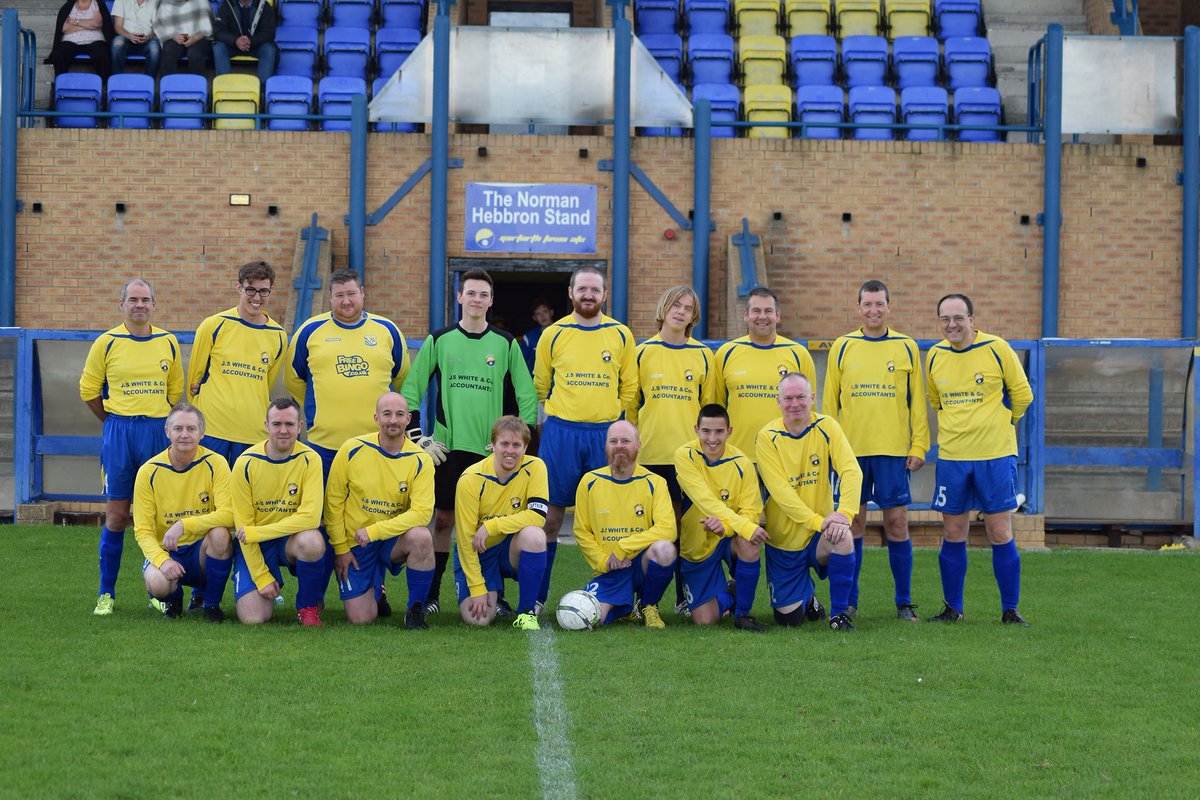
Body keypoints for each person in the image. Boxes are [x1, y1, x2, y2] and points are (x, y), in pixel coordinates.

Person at [400, 268, 537, 616]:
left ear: (491, 301)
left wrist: (521, 443)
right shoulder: (440, 339)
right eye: (470, 293)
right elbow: (411, 390)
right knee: (443, 521)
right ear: (459, 298)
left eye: (483, 295)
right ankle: (431, 595)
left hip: (492, 451)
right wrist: (418, 438)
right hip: (449, 449)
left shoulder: (506, 343)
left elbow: (527, 397)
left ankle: (496, 593)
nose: (476, 300)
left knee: (494, 522)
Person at [823, 279, 929, 621]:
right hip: (850, 454)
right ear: (858, 308)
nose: (873, 310)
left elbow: (918, 404)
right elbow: (829, 405)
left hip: (893, 452)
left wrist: (919, 445)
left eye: (879, 304)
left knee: (897, 524)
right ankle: (849, 601)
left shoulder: (906, 346)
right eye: (867, 304)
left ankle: (904, 602)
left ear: (889, 307)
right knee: (852, 525)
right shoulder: (843, 345)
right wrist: (826, 447)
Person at [533, 266, 637, 613]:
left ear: (605, 294)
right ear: (571, 292)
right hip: (561, 432)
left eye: (595, 290)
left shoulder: (621, 335)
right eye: (583, 289)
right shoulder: (553, 334)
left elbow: (629, 387)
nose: (589, 295)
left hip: (604, 434)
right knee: (549, 518)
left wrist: (612, 420)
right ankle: (537, 598)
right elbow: (541, 384)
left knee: (611, 520)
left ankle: (615, 599)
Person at [925, 293, 1034, 626]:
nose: (952, 325)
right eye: (945, 319)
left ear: (973, 319)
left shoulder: (997, 349)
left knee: (999, 531)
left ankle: (1010, 610)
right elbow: (936, 401)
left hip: (995, 457)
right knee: (953, 532)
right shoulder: (934, 356)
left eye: (959, 318)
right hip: (954, 458)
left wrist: (1001, 424)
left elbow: (1022, 395)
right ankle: (953, 609)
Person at [80, 279, 183, 617]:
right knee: (117, 515)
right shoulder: (106, 342)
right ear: (121, 304)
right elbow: (89, 391)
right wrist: (114, 421)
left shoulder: (168, 341)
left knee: (155, 516)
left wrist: (154, 421)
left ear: (155, 305)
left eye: (146, 300)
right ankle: (105, 593)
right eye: (133, 300)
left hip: (156, 431)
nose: (140, 305)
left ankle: (157, 589)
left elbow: (174, 392)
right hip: (119, 432)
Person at [630, 285, 716, 615]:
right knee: (648, 531)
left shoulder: (703, 355)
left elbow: (709, 410)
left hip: (689, 460)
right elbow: (631, 407)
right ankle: (639, 599)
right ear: (663, 308)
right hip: (651, 456)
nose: (680, 311)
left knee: (687, 530)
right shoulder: (642, 352)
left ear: (694, 315)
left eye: (687, 307)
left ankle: (683, 599)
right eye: (675, 305)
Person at [755, 373, 863, 632]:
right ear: (778, 402)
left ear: (812, 399)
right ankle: (809, 599)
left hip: (820, 534)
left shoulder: (827, 426)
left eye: (801, 397)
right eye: (788, 398)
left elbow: (851, 470)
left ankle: (839, 615)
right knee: (789, 620)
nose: (795, 404)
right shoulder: (767, 437)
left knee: (844, 536)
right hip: (784, 541)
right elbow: (781, 492)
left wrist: (845, 514)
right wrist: (820, 521)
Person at [284, 268, 411, 478]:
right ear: (330, 298)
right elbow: (293, 379)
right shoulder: (309, 330)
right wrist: (317, 405)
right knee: (324, 509)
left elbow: (400, 378)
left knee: (372, 508)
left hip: (376, 442)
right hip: (323, 445)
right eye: (339, 295)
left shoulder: (387, 330)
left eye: (351, 294)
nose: (346, 301)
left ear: (362, 292)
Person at [324, 393, 436, 628]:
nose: (392, 420)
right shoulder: (352, 449)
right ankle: (377, 588)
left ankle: (415, 609)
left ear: (408, 419)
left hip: (390, 540)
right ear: (376, 418)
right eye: (386, 414)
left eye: (398, 415)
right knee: (361, 618)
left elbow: (422, 513)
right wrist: (341, 549)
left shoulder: (420, 459)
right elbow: (333, 503)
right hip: (356, 543)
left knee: (422, 537)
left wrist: (375, 531)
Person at [132, 403, 234, 622]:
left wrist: (184, 525)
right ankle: (173, 600)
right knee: (157, 582)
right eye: (178, 429)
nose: (184, 435)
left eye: (191, 429)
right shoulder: (148, 471)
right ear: (167, 432)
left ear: (202, 433)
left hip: (200, 551)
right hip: (168, 551)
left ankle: (211, 604)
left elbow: (229, 514)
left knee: (221, 534)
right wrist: (162, 560)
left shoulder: (216, 463)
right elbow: (142, 530)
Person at [230, 398, 327, 626]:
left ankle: (308, 607)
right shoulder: (245, 463)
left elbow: (311, 518)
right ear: (266, 425)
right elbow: (244, 529)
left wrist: (260, 532)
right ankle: (268, 583)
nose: (283, 430)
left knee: (313, 540)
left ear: (300, 426)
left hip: (288, 541)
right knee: (253, 619)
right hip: (256, 546)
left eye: (289, 424)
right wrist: (262, 577)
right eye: (276, 424)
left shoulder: (310, 459)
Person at [572, 421, 677, 628]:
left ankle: (648, 606)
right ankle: (627, 609)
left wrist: (624, 547)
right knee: (592, 620)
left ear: (638, 444)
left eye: (626, 441)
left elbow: (669, 528)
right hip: (609, 569)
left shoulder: (654, 482)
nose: (619, 445)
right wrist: (604, 561)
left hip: (640, 563)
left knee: (664, 549)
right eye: (614, 441)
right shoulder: (589, 481)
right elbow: (581, 532)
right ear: (606, 446)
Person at [674, 404, 766, 632]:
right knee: (704, 620)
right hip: (698, 544)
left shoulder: (743, 463)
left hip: (729, 536)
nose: (712, 438)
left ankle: (743, 613)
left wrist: (726, 527)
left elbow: (751, 512)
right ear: (696, 429)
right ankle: (731, 594)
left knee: (748, 541)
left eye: (719, 431)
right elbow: (704, 499)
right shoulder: (684, 456)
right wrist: (741, 525)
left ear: (729, 431)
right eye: (706, 431)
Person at [187, 260, 287, 466]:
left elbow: (265, 383)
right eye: (250, 290)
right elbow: (194, 382)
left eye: (263, 291)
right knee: (209, 495)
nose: (257, 298)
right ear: (239, 287)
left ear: (271, 291)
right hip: (213, 431)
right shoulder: (214, 325)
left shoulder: (278, 335)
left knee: (247, 496)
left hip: (252, 433)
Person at [453, 416, 549, 631]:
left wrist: (491, 526)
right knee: (478, 620)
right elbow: (466, 538)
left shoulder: (536, 467)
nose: (510, 451)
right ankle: (492, 593)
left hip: (509, 547)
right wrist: (477, 588)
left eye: (517, 445)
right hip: (479, 551)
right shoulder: (470, 479)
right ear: (493, 445)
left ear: (525, 447)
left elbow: (537, 516)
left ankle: (526, 613)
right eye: (504, 444)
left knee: (535, 536)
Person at [712, 287, 816, 462]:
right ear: (746, 315)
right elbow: (716, 408)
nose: (762, 316)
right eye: (756, 311)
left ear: (778, 315)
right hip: (738, 458)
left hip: (786, 457)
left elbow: (810, 410)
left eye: (768, 311)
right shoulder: (726, 353)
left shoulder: (798, 354)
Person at [45, 0, 115, 79]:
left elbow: (96, 23)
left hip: (95, 41)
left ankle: (104, 85)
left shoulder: (98, 5)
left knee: (102, 52)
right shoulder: (68, 6)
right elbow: (64, 28)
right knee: (59, 53)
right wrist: (88, 24)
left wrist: (74, 21)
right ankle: (60, 83)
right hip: (71, 41)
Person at [212, 0, 277, 85]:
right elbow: (218, 32)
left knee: (269, 49)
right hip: (232, 45)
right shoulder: (226, 4)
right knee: (218, 47)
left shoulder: (264, 5)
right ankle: (224, 85)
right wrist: (235, 40)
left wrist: (251, 41)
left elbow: (269, 33)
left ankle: (262, 88)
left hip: (256, 45)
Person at [155, 0, 213, 76]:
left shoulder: (201, 2)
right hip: (175, 37)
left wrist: (194, 38)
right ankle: (168, 85)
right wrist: (173, 36)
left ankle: (197, 86)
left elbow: (208, 28)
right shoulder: (165, 3)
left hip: (198, 37)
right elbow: (162, 26)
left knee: (194, 54)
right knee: (168, 51)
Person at [110, 0, 161, 76]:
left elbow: (157, 28)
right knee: (117, 44)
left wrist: (148, 37)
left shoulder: (156, 2)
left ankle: (148, 82)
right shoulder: (120, 1)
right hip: (126, 37)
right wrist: (129, 36)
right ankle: (118, 80)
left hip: (148, 39)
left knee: (155, 49)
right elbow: (118, 26)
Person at [519, 297, 554, 372]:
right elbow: (521, 363)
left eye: (545, 311)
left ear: (551, 312)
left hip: (560, 381)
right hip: (536, 381)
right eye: (538, 314)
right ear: (534, 318)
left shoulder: (563, 332)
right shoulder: (529, 337)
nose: (542, 316)